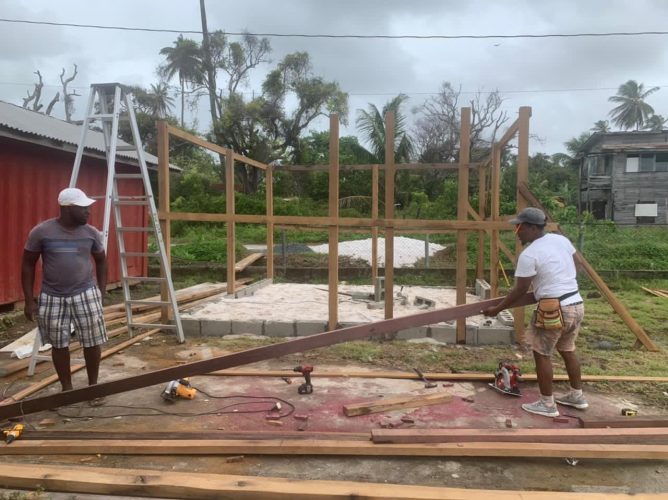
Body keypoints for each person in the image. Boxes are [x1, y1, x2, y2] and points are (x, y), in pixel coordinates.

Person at [482, 207, 587, 418]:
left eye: (519, 227)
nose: (517, 232)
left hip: (553, 310)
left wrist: (497, 309)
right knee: (568, 350)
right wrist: (561, 280)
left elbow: (520, 290)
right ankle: (577, 396)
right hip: (576, 304)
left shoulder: (529, 254)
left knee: (541, 354)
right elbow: (580, 265)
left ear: (531, 228)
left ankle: (547, 404)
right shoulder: (560, 240)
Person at [22, 187, 108, 392]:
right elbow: (27, 264)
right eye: (84, 208)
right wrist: (28, 300)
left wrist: (101, 292)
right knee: (59, 344)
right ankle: (67, 389)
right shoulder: (41, 232)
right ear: (67, 208)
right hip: (52, 296)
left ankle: (92, 387)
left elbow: (102, 261)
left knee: (92, 340)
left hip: (85, 293)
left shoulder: (91, 233)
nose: (88, 212)